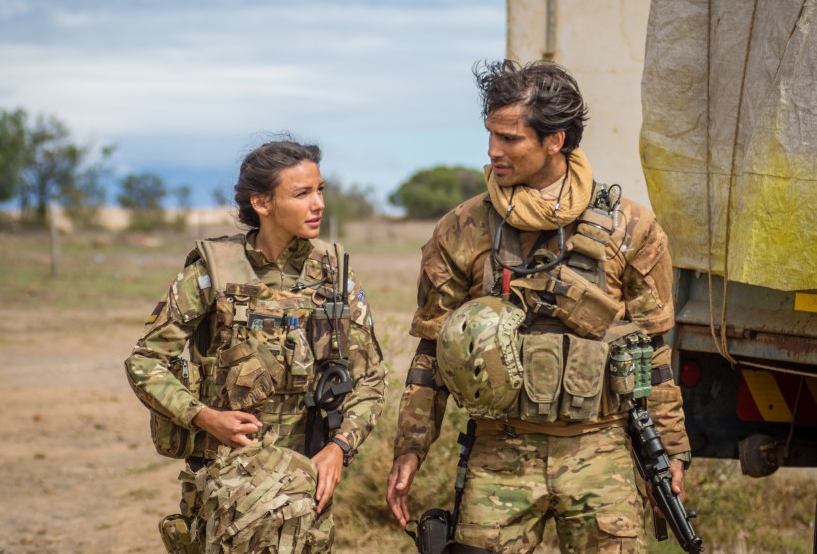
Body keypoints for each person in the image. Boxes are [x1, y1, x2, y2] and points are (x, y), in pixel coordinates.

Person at [385, 60, 691, 553]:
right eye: (490, 135)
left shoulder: (632, 229)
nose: (492, 151)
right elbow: (430, 353)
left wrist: (672, 451)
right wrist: (411, 448)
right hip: (498, 449)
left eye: (510, 138)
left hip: (602, 449)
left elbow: (655, 354)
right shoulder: (463, 228)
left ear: (556, 140)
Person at [126, 138, 386, 554]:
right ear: (262, 203)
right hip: (228, 483)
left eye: (320, 190)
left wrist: (339, 448)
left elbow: (371, 379)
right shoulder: (213, 271)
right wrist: (205, 417)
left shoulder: (334, 273)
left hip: (306, 482)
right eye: (302, 194)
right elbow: (145, 362)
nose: (318, 203)